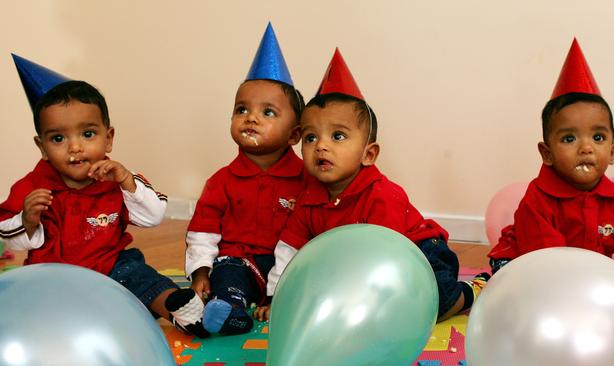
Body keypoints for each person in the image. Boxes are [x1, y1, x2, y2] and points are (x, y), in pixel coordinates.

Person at [254, 48, 489, 323]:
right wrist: (278, 297)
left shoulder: (382, 195)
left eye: (338, 136)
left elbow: (387, 257)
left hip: (418, 252)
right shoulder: (308, 198)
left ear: (369, 154)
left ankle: (470, 291)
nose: (321, 146)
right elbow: (288, 249)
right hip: (353, 265)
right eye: (310, 138)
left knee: (431, 304)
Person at [1, 54, 209, 338]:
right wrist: (28, 219)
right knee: (31, 299)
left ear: (108, 137)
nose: (74, 147)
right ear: (42, 147)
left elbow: (154, 216)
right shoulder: (33, 185)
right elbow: (6, 230)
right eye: (58, 139)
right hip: (54, 272)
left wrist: (126, 181)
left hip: (111, 264)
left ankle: (177, 308)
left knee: (138, 275)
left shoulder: (116, 179)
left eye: (87, 134)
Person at [184, 23, 306, 335]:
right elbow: (203, 232)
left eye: (268, 112)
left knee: (305, 279)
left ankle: (284, 303)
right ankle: (231, 312)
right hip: (239, 261)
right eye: (242, 109)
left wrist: (278, 291)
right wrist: (200, 272)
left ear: (294, 134)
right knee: (228, 279)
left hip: (290, 264)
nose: (250, 117)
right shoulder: (222, 181)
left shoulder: (307, 180)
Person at [488, 39, 614, 274]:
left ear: (612, 151)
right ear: (547, 153)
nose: (586, 148)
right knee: (518, 282)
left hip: (583, 271)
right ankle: (483, 282)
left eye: (598, 138)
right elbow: (548, 264)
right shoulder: (537, 202)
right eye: (569, 139)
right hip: (526, 261)